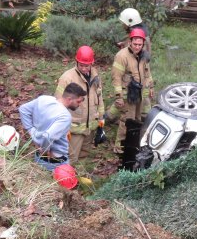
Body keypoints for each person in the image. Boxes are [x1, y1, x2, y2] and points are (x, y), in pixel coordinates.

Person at [54, 46, 106, 164]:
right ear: (76, 62)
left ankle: (78, 177)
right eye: (81, 65)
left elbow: (99, 97)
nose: (83, 68)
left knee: (84, 155)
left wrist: (101, 119)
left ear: (92, 63)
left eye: (86, 65)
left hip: (90, 126)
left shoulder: (95, 76)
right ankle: (65, 180)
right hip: (74, 128)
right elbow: (58, 103)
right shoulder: (67, 78)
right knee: (71, 157)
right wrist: (62, 127)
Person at [18, 83, 87, 172]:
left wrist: (31, 131)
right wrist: (45, 150)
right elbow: (48, 136)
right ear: (69, 99)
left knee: (39, 181)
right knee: (59, 185)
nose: (80, 104)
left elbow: (23, 109)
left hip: (38, 156)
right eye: (78, 101)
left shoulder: (43, 99)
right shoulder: (65, 116)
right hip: (55, 162)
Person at [108, 26, 154, 154]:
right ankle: (120, 147)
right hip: (128, 93)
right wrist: (119, 96)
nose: (137, 47)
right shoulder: (121, 56)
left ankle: (133, 143)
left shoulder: (144, 55)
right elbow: (116, 78)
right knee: (126, 120)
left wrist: (151, 86)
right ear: (130, 41)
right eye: (135, 44)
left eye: (140, 44)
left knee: (138, 119)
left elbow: (147, 72)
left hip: (140, 93)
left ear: (143, 43)